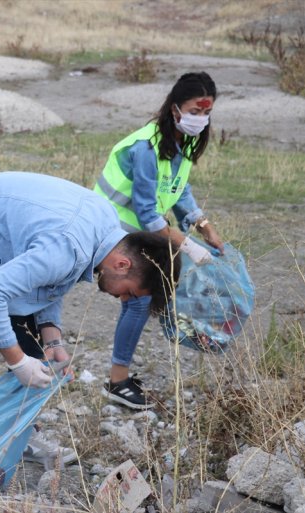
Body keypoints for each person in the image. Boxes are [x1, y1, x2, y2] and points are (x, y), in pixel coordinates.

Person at [0, 172, 181, 499]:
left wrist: (52, 338)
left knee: (35, 349)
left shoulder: (105, 231)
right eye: (130, 292)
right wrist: (17, 362)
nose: (123, 299)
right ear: (122, 264)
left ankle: (19, 434)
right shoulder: (68, 246)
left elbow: (50, 278)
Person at [94, 71, 225, 410]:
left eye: (206, 112)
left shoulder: (181, 141)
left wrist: (203, 225)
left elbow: (178, 187)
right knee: (139, 298)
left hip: (139, 231)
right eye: (194, 111)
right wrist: (189, 246)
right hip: (110, 230)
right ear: (174, 108)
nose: (201, 118)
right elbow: (147, 211)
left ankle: (120, 377)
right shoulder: (146, 147)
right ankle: (118, 381)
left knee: (145, 297)